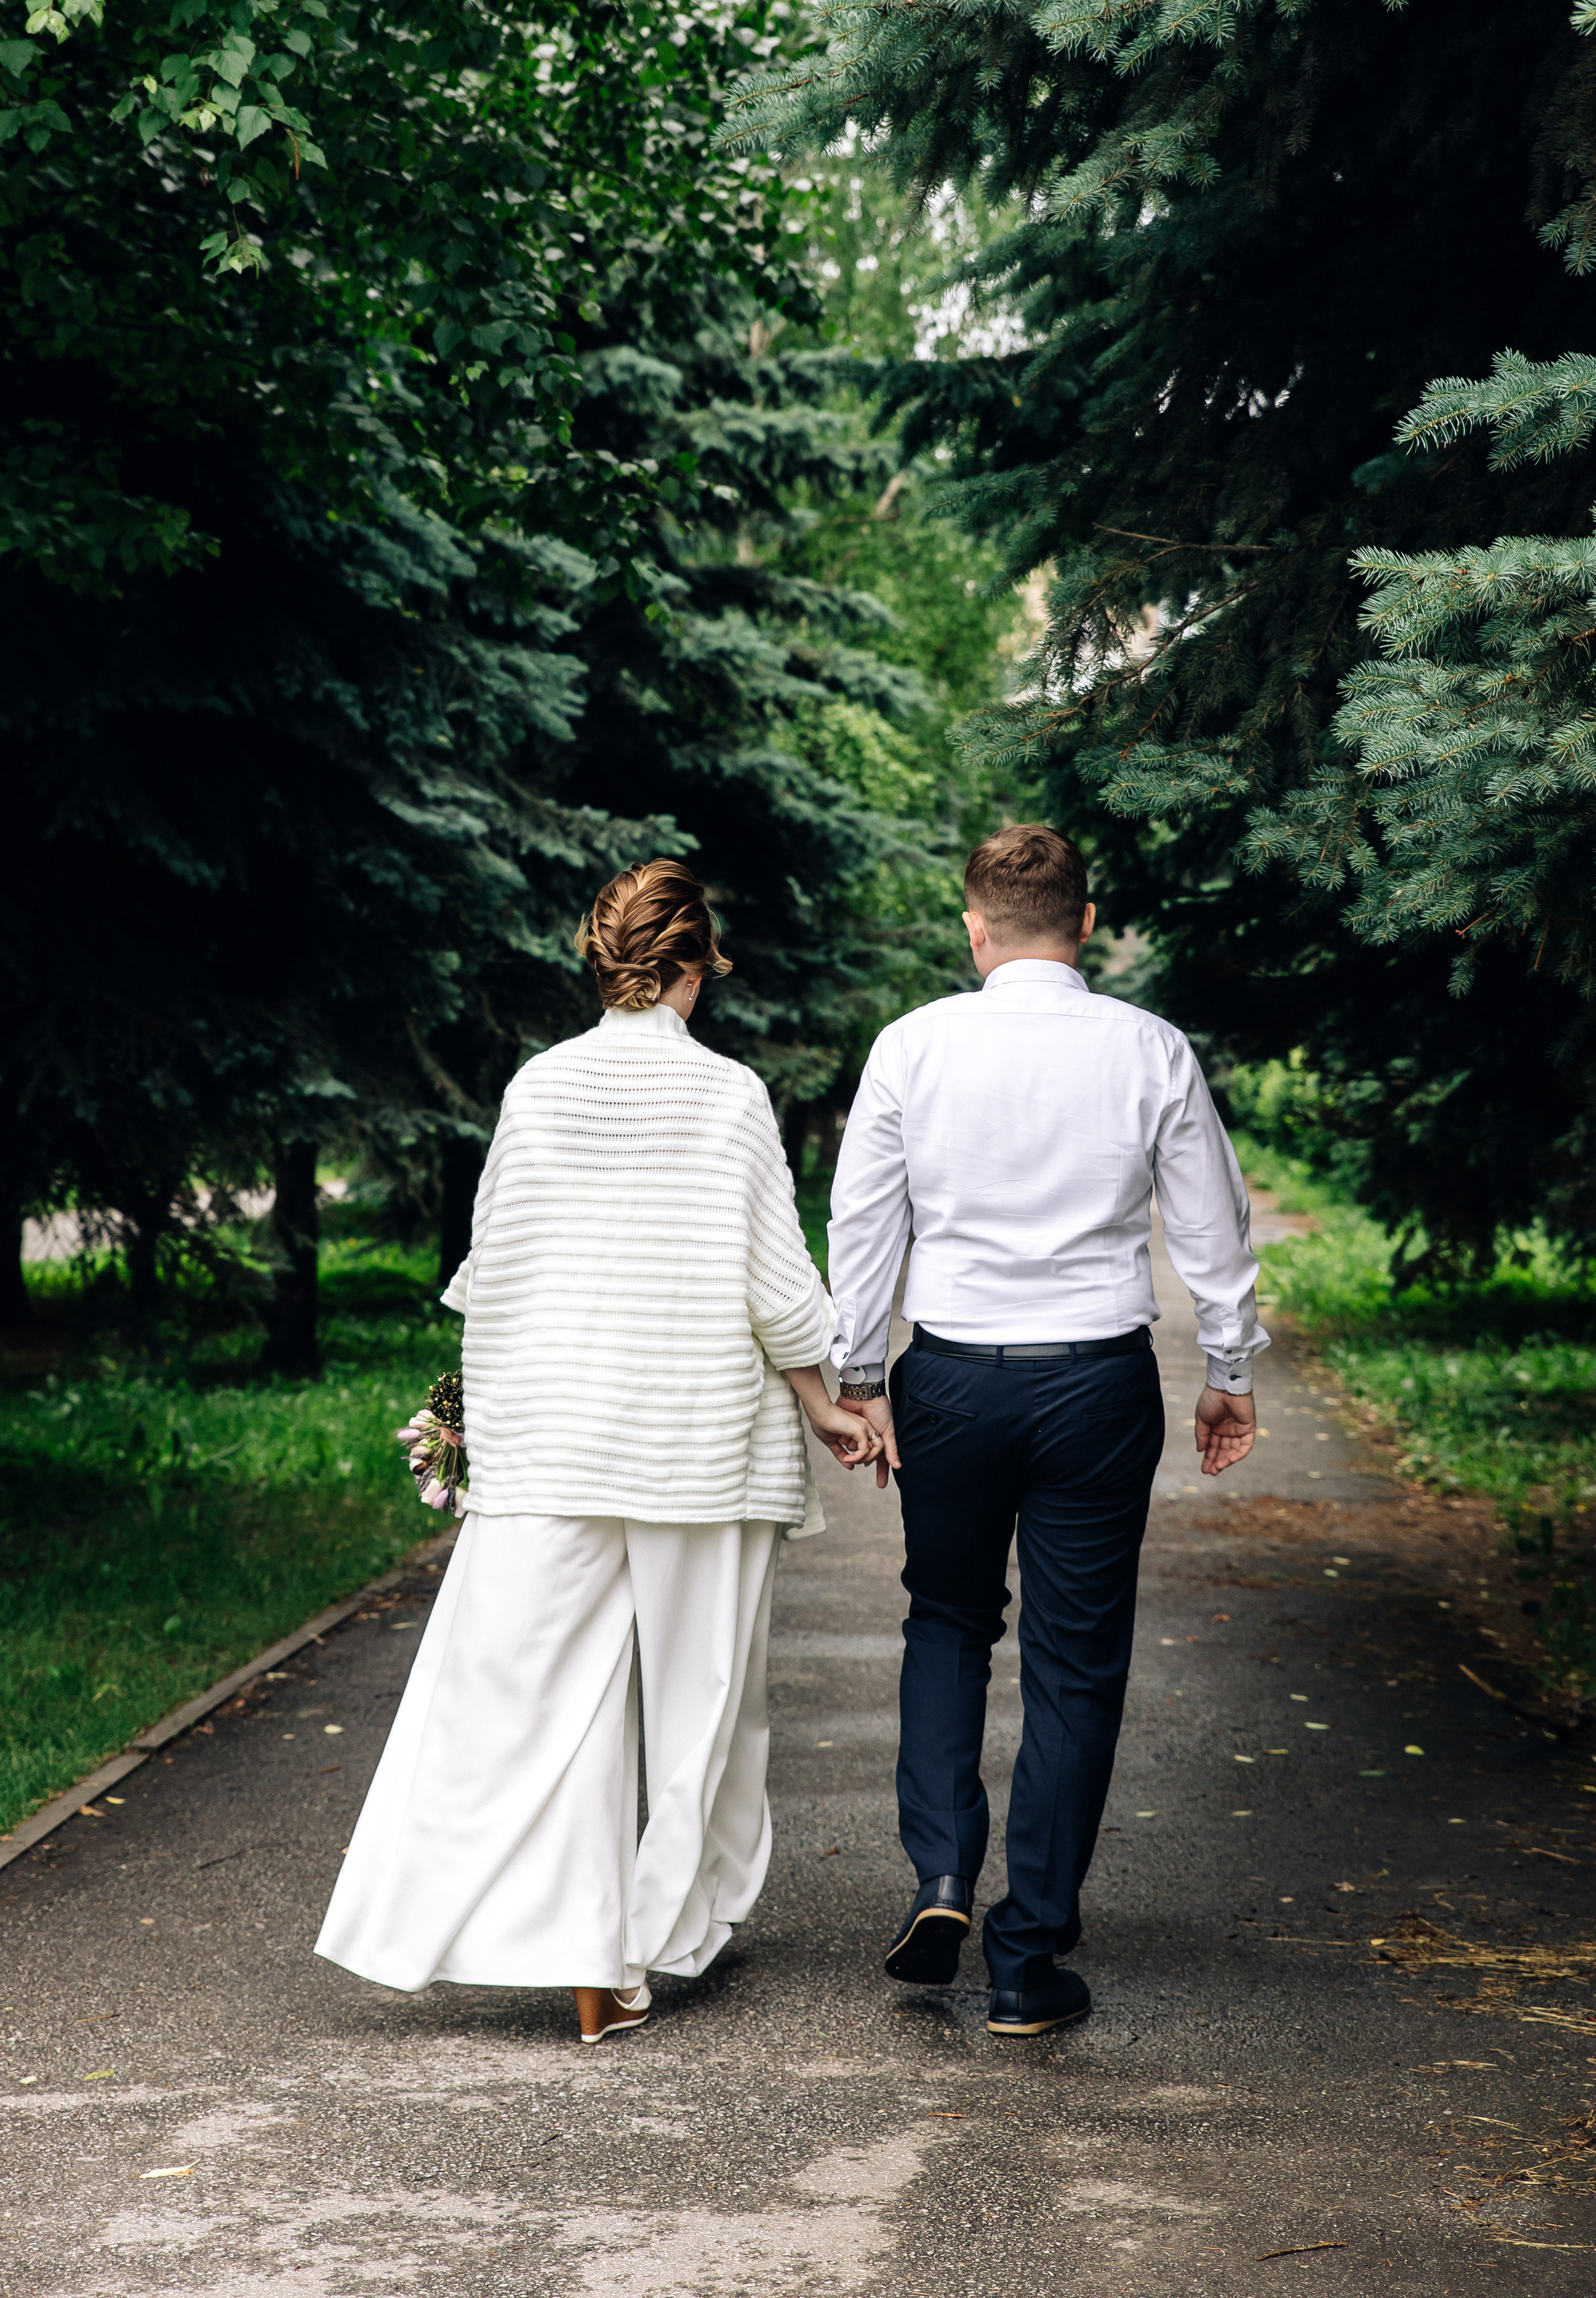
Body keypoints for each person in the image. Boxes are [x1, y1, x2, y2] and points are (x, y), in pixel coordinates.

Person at [315, 858, 878, 2046]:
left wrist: (484, 1424)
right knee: (703, 1706)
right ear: (693, 964)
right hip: (698, 1440)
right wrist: (828, 1403)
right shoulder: (727, 1096)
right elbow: (779, 1288)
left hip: (557, 1438)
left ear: (606, 958)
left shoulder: (536, 1087)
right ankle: (666, 1931)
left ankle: (580, 1956)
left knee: (525, 1696)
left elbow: (497, 1272)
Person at [827, 823, 1265, 2040]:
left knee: (948, 1616)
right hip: (1095, 1382)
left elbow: (865, 1226)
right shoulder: (1148, 1048)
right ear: (1082, 922)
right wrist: (1228, 1369)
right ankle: (1027, 1959)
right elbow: (1211, 1225)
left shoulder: (912, 1046)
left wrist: (859, 1378)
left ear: (975, 929)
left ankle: (942, 1881)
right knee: (1076, 1661)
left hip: (954, 1378)